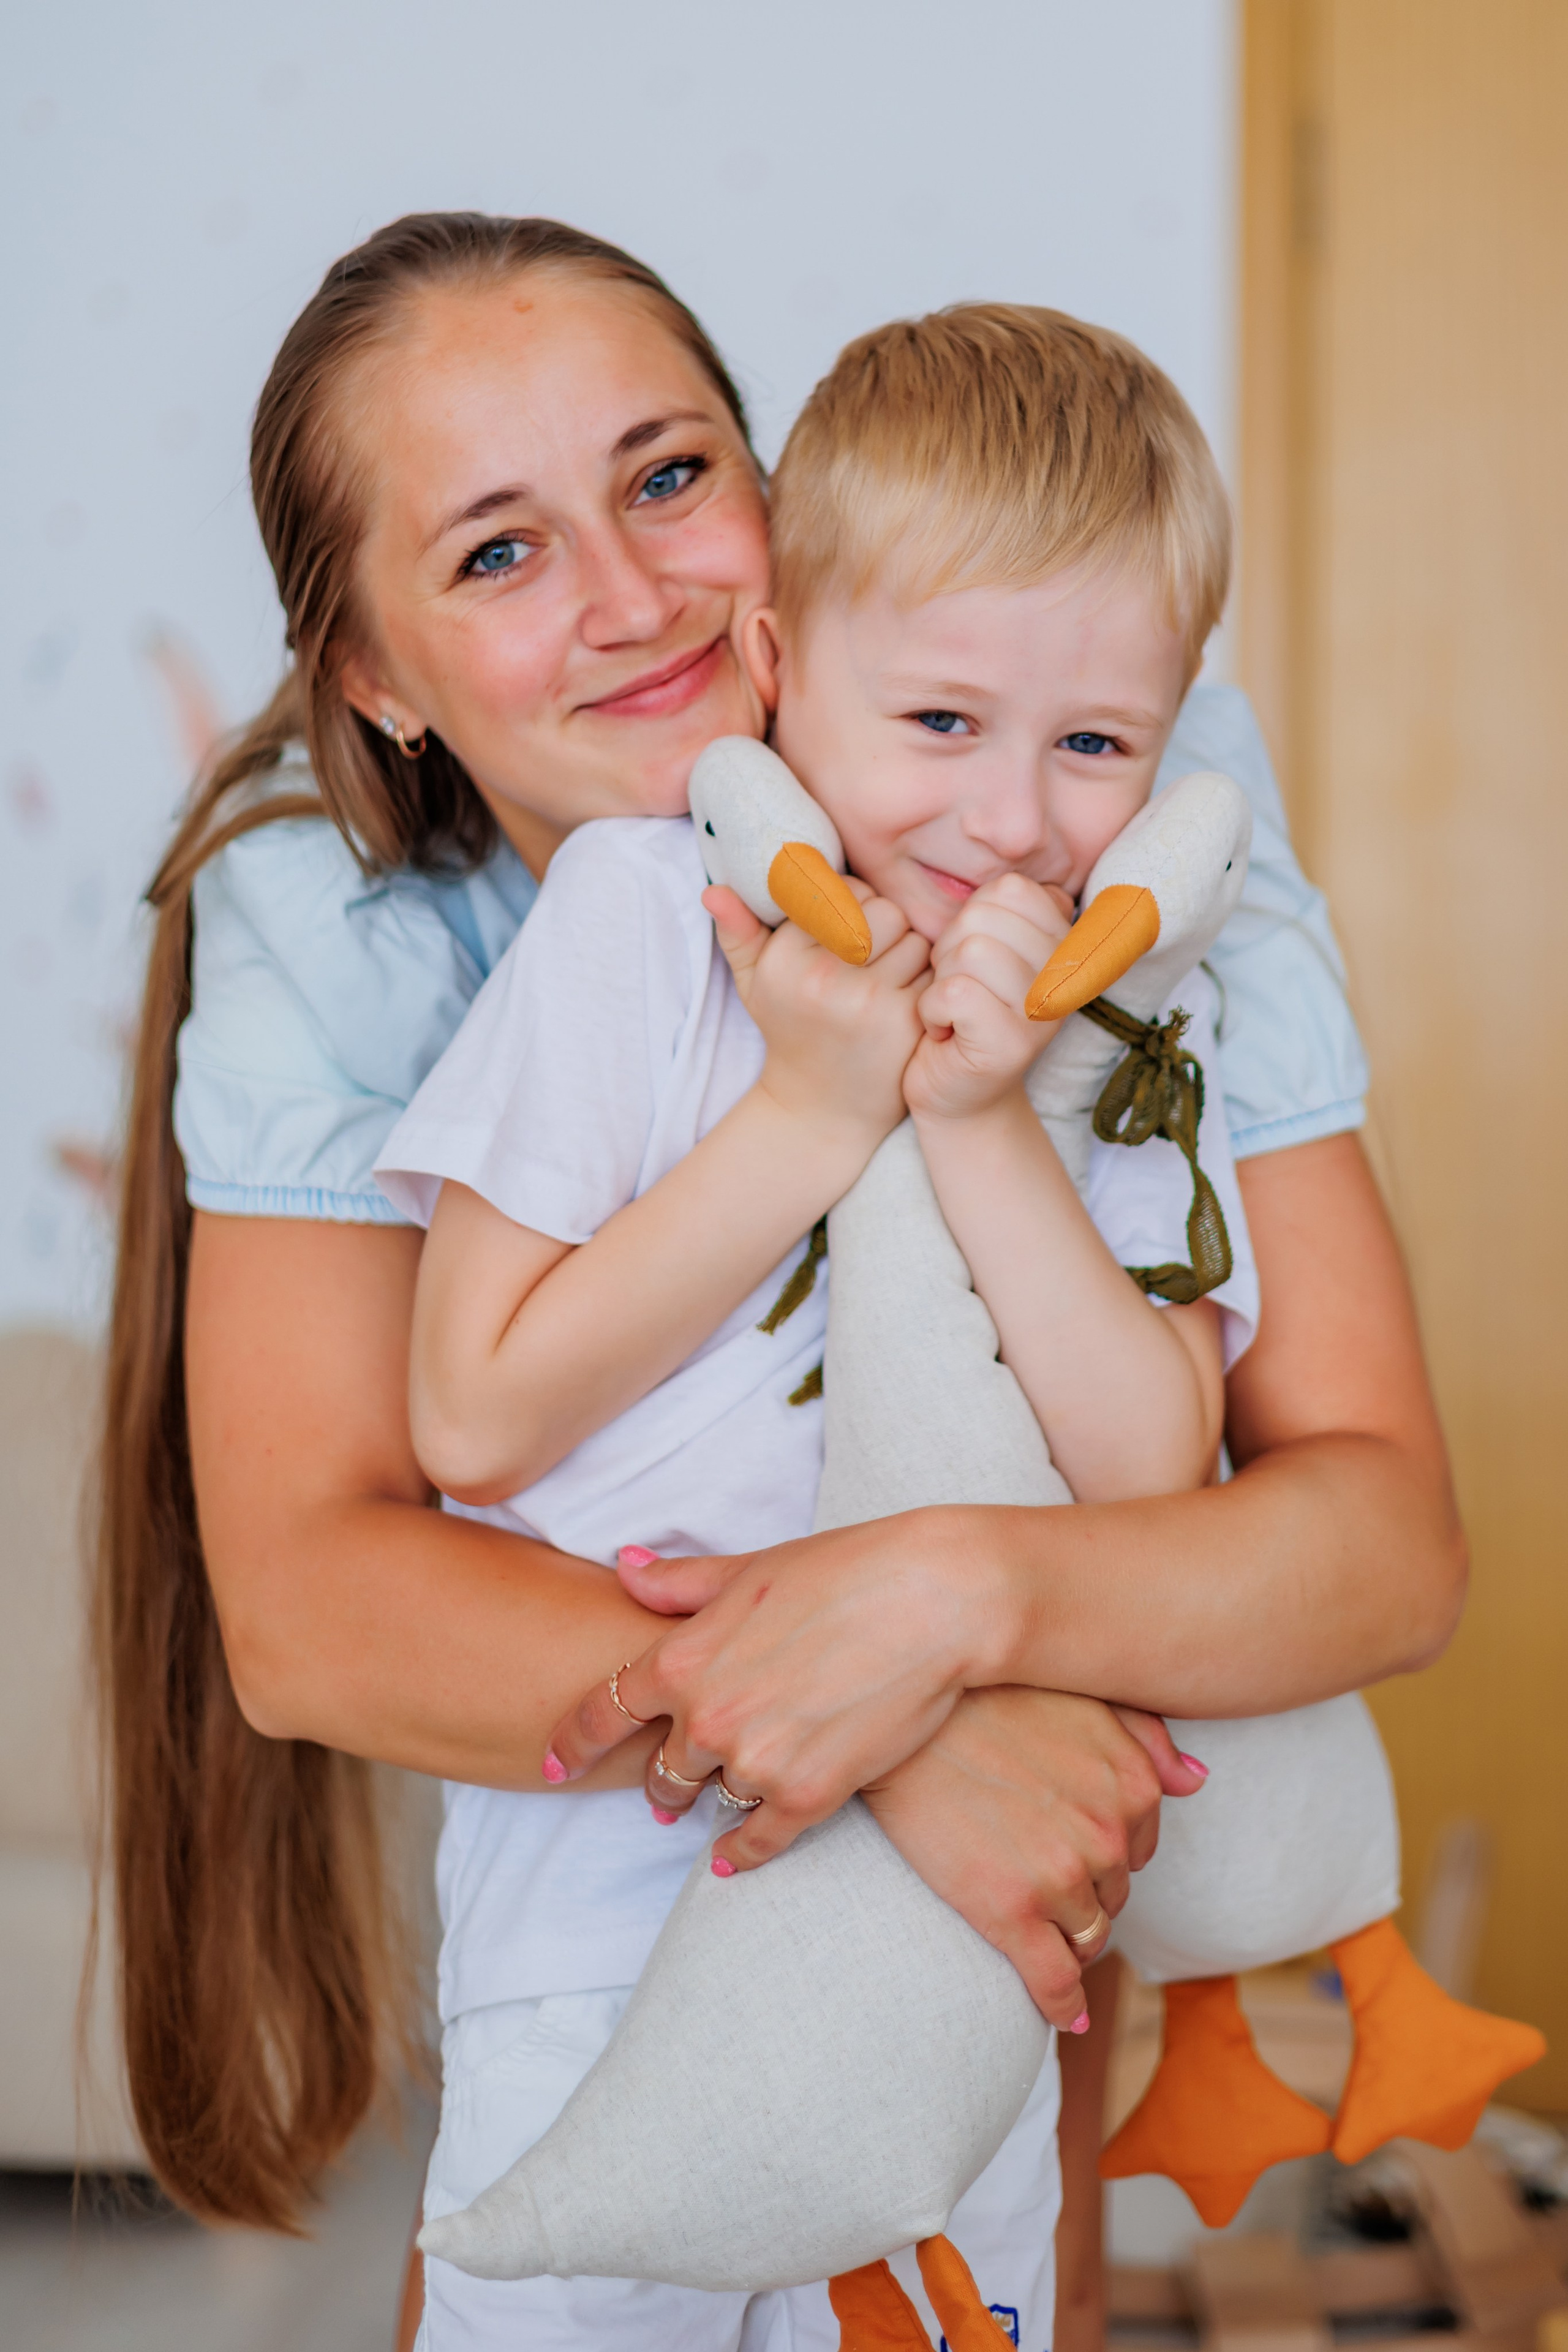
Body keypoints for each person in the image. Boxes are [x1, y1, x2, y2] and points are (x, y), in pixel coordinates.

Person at [94, 214, 1462, 2352]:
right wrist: (895, 1731)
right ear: (371, 668)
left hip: (978, 1953)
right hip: (631, 1905)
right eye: (494, 552)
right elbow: (326, 1591)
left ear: (779, 500)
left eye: (664, 478)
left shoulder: (1079, 803)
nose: (636, 601)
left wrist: (955, 1610)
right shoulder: (410, 924)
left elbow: (1366, 1530)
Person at [378, 302, 1259, 2345]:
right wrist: (809, 1110)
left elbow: (1155, 1478)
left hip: (951, 1956)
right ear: (781, 674)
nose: (1020, 822)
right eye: (941, 725)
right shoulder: (629, 917)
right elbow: (470, 1411)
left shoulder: (1135, 1022)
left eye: (1099, 746)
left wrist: (986, 1125)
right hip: (597, 1936)